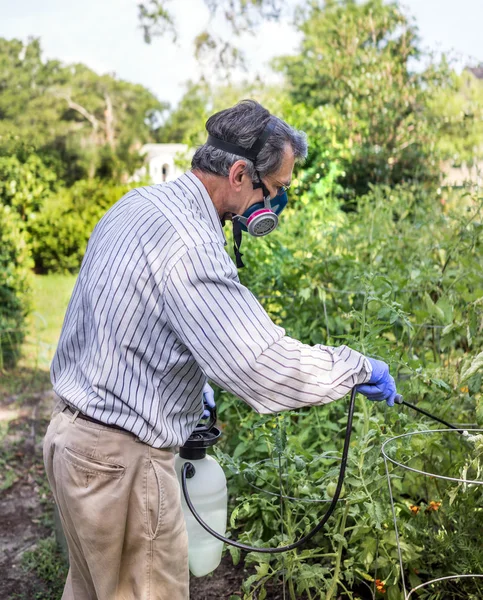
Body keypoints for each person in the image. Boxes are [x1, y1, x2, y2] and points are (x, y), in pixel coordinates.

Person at [43, 99, 398, 600]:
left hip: (71, 443)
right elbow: (262, 366)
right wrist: (356, 367)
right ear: (238, 173)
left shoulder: (138, 205)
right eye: (275, 190)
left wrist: (187, 384)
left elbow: (125, 319)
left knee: (92, 590)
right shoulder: (191, 244)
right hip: (119, 466)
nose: (275, 206)